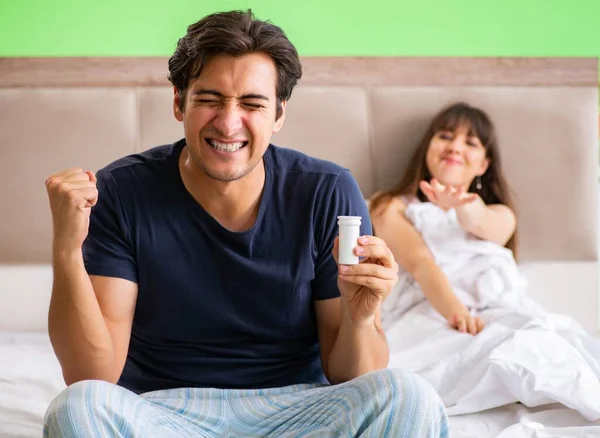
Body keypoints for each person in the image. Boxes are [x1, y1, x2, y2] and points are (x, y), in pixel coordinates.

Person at [43, 9, 449, 437]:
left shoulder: (327, 191)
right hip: (164, 413)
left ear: (278, 114)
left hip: (300, 410)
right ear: (179, 102)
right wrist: (67, 249)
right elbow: (92, 374)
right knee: (78, 407)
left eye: (252, 104)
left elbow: (351, 375)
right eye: (210, 99)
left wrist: (361, 317)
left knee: (408, 394)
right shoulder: (122, 193)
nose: (229, 122)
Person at [370, 102, 517, 336]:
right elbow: (421, 263)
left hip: (498, 314)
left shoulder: (502, 215)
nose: (455, 148)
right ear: (428, 148)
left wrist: (459, 205)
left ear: (483, 165)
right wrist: (460, 317)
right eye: (446, 136)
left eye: (470, 143)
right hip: (433, 317)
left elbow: (479, 222)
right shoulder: (388, 206)